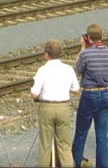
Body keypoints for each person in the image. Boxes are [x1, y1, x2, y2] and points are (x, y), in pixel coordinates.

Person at [30, 39, 80, 167]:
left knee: (45, 145)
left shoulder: (42, 70)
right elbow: (76, 90)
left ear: (46, 54)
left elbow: (34, 94)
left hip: (46, 107)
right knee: (64, 144)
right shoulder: (68, 69)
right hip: (63, 107)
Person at [72, 23, 108, 168]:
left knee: (80, 134)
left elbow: (77, 69)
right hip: (106, 93)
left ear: (88, 38)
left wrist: (83, 48)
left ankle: (75, 164)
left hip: (90, 95)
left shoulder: (86, 53)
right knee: (102, 138)